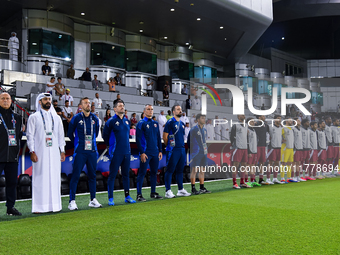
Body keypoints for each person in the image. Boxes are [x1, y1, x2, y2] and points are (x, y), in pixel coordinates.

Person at [26, 93, 65, 213]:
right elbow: (30, 136)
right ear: (39, 102)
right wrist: (32, 151)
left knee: (54, 178)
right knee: (40, 178)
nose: (48, 101)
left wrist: (62, 150)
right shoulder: (34, 117)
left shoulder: (57, 117)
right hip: (40, 152)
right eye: (45, 99)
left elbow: (60, 135)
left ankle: (55, 205)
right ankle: (39, 207)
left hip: (54, 153)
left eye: (49, 99)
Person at [67, 97, 102, 210]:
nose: (88, 104)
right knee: (76, 175)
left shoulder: (95, 119)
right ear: (80, 106)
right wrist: (78, 144)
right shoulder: (76, 118)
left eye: (89, 103)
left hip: (92, 151)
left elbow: (95, 134)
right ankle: (71, 201)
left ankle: (93, 199)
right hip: (80, 151)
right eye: (85, 103)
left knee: (92, 175)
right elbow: (69, 133)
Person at [103, 99, 136, 205]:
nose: (122, 107)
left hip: (126, 152)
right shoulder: (111, 121)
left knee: (126, 174)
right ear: (115, 109)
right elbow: (105, 135)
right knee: (113, 175)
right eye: (120, 106)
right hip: (115, 152)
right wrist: (110, 146)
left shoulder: (127, 121)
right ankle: (110, 198)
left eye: (123, 105)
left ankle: (127, 196)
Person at [0, 92, 23, 216]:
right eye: (2, 98)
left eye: (7, 98)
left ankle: (10, 207)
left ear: (11, 101)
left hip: (13, 157)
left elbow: (19, 135)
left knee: (12, 183)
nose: (5, 100)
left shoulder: (17, 117)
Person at [135, 104, 163, 201]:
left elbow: (159, 138)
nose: (150, 111)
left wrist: (160, 150)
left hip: (155, 152)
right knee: (142, 173)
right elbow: (137, 139)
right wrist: (142, 152)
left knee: (154, 173)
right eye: (148, 109)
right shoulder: (141, 123)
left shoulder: (155, 124)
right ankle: (139, 195)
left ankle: (153, 193)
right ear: (144, 111)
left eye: (151, 109)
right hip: (146, 153)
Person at [163, 104, 191, 198]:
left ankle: (180, 189)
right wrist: (170, 147)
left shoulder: (182, 124)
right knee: (170, 170)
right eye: (178, 109)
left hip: (182, 149)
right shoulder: (170, 122)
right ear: (173, 112)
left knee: (180, 170)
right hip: (173, 150)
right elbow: (165, 137)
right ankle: (168, 191)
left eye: (181, 109)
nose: (180, 110)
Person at [188, 114, 211, 195]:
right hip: (196, 153)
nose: (204, 119)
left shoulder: (204, 130)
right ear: (197, 120)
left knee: (202, 170)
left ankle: (202, 187)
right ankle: (193, 188)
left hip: (204, 152)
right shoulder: (193, 129)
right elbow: (189, 141)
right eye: (202, 118)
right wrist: (192, 151)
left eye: (204, 118)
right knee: (194, 170)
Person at [230, 114, 250, 189]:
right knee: (236, 165)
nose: (244, 116)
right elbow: (231, 136)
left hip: (245, 148)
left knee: (244, 166)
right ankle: (234, 183)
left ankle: (242, 182)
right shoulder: (236, 125)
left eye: (244, 115)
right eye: (242, 115)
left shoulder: (246, 125)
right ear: (238, 117)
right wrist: (234, 145)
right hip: (237, 148)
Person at [265, 115, 282, 185]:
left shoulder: (281, 127)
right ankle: (268, 178)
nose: (279, 120)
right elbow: (266, 134)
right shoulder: (270, 126)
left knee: (277, 163)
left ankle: (275, 178)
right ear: (275, 119)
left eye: (280, 119)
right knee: (270, 163)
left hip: (279, 147)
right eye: (278, 119)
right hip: (272, 147)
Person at [254, 115, 270, 184]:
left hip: (263, 145)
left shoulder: (266, 125)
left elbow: (269, 132)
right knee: (254, 163)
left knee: (262, 162)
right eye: (263, 116)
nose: (264, 117)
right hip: (256, 145)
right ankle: (253, 178)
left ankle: (261, 179)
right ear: (259, 117)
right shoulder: (256, 124)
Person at [246, 118, 261, 187]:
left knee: (253, 166)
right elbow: (247, 142)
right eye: (252, 121)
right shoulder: (247, 130)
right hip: (250, 151)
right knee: (247, 166)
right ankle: (246, 181)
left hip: (255, 151)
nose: (253, 122)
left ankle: (252, 180)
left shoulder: (254, 130)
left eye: (253, 121)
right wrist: (248, 151)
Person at [281, 118, 296, 183]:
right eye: (290, 120)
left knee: (289, 163)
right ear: (286, 121)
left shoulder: (291, 129)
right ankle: (282, 178)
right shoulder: (283, 128)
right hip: (285, 148)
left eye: (292, 120)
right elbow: (279, 135)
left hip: (291, 148)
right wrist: (281, 140)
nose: (291, 121)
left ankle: (289, 178)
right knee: (283, 163)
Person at [292, 117, 306, 182]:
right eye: (298, 120)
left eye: (299, 120)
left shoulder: (300, 129)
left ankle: (297, 176)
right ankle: (292, 177)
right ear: (294, 122)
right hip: (295, 149)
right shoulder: (293, 129)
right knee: (294, 163)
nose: (299, 121)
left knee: (299, 163)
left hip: (300, 148)